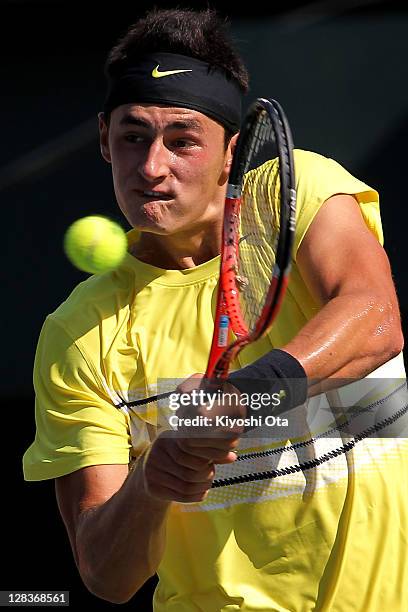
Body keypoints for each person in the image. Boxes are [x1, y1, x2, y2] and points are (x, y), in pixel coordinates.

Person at [23, 8, 408, 611]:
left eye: (183, 141)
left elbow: (375, 320)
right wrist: (152, 482)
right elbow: (106, 573)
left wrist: (246, 395)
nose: (152, 168)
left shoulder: (293, 191)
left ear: (230, 151)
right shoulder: (76, 333)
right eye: (133, 137)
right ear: (104, 140)